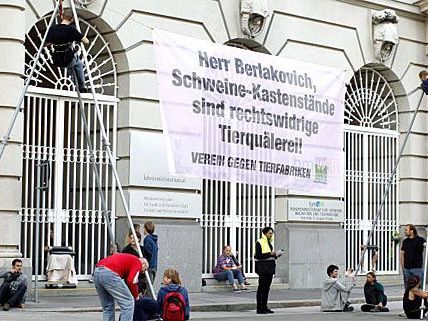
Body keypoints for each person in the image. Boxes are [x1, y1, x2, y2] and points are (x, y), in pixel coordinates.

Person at [93, 253, 148, 321]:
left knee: (108, 306)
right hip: (110, 274)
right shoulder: (138, 262)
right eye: (144, 270)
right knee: (128, 303)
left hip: (97, 272)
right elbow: (132, 281)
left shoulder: (128, 259)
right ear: (144, 264)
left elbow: (127, 282)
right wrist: (136, 296)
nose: (141, 272)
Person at [46, 11, 89, 93]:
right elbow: (86, 41)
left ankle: (74, 78)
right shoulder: (71, 29)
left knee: (72, 65)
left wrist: (56, 41)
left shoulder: (53, 29)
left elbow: (45, 44)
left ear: (61, 17)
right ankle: (81, 85)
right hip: (68, 60)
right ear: (72, 19)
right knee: (79, 64)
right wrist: (79, 36)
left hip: (56, 60)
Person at [254, 226, 282, 314]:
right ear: (265, 233)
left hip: (269, 267)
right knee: (261, 288)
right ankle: (259, 308)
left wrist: (276, 255)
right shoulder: (259, 242)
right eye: (270, 233)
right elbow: (258, 256)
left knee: (267, 288)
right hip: (262, 268)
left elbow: (269, 257)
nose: (271, 235)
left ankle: (265, 307)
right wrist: (270, 253)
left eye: (272, 233)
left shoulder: (269, 243)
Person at [122, 230, 146, 295]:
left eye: (134, 238)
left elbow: (146, 260)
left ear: (138, 239)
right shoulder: (126, 250)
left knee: (140, 293)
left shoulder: (142, 249)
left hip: (141, 275)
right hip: (131, 274)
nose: (132, 240)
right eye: (131, 238)